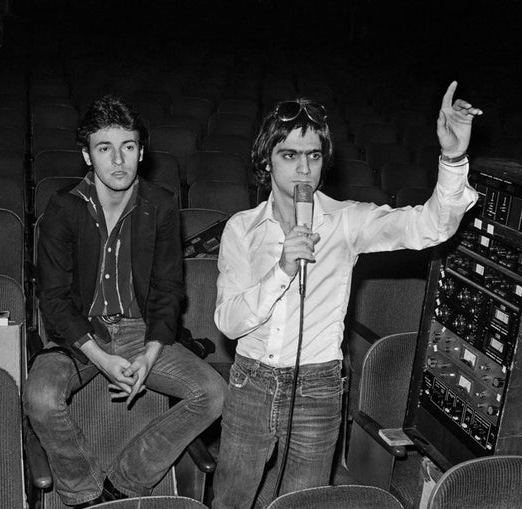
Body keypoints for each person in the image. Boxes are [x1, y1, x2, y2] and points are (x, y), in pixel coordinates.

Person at [211, 81, 482, 509]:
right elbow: (228, 322)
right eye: (290, 155)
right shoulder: (241, 228)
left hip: (319, 387)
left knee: (302, 502)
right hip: (252, 382)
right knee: (230, 499)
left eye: (313, 156)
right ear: (267, 160)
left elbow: (431, 226)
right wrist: (282, 270)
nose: (304, 169)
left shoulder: (345, 221)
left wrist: (452, 158)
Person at [24, 95, 227, 508]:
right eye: (105, 148)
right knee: (39, 397)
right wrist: (100, 358)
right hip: (81, 333)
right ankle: (85, 494)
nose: (119, 160)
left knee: (214, 394)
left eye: (128, 147)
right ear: (87, 155)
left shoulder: (161, 205)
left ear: (140, 151)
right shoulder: (62, 209)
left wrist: (150, 356)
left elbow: (170, 289)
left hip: (139, 331)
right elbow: (55, 300)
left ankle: (125, 483)